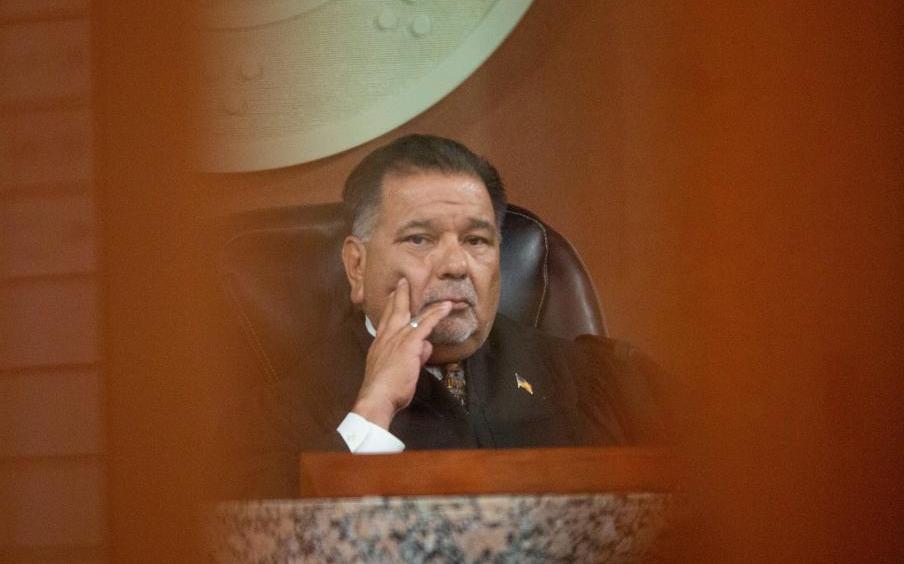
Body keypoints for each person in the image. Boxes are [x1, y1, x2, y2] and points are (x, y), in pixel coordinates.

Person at [229, 135, 662, 498]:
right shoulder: (282, 417)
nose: (456, 265)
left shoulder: (595, 381)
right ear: (357, 267)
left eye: (476, 241)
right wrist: (373, 411)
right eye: (420, 239)